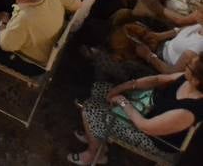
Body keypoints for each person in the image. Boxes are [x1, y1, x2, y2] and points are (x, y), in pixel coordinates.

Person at [70, 59, 203, 165]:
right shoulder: (186, 79)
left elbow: (145, 126)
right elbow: (157, 79)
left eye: (189, 65)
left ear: (196, 80)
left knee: (91, 109)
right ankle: (95, 138)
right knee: (99, 89)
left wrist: (122, 102)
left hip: (151, 139)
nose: (187, 63)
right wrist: (126, 86)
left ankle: (94, 153)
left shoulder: (188, 111)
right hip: (148, 109)